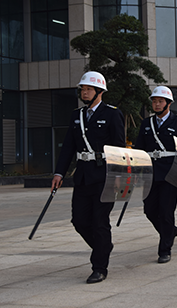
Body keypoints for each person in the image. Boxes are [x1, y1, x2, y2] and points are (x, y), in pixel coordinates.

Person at [51, 71, 125, 284]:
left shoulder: (112, 114)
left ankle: (99, 267)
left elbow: (119, 147)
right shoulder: (77, 115)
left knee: (100, 222)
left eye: (88, 89)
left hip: (105, 177)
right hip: (83, 176)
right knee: (79, 220)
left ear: (99, 92)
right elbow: (68, 148)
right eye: (82, 89)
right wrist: (59, 173)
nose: (84, 92)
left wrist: (119, 176)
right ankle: (104, 247)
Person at [135, 86, 177, 264]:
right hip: (150, 173)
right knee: (149, 210)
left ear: (168, 103)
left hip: (171, 173)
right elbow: (139, 149)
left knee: (166, 212)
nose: (156, 104)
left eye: (160, 101)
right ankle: (170, 231)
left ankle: (165, 249)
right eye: (154, 101)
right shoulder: (146, 123)